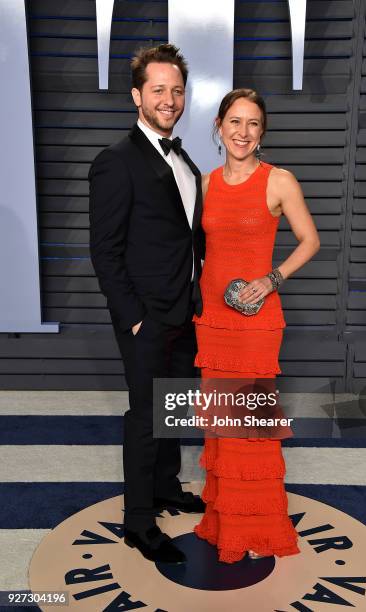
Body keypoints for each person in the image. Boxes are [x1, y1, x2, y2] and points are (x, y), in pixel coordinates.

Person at [89, 44, 205, 565]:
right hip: (146, 317)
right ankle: (138, 520)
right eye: (158, 89)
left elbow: (185, 238)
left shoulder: (187, 161)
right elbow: (104, 250)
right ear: (137, 95)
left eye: (177, 90)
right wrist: (133, 316)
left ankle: (165, 487)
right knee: (143, 417)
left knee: (173, 410)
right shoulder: (116, 161)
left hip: (186, 308)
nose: (169, 99)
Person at [193, 88, 321, 563]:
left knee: (250, 426)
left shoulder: (278, 180)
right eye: (234, 122)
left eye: (252, 124)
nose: (242, 132)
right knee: (222, 426)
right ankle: (224, 523)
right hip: (212, 319)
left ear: (262, 132)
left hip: (255, 323)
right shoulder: (205, 184)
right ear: (219, 126)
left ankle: (259, 528)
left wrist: (271, 280)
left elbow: (310, 240)